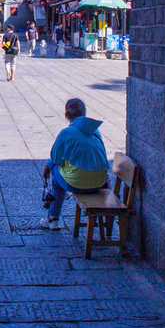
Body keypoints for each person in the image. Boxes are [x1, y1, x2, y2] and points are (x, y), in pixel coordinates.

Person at [40, 98, 110, 230]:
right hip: (99, 182)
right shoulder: (95, 131)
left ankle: (53, 218)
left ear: (67, 115)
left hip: (77, 183)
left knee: (55, 173)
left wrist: (48, 166)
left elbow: (56, 158)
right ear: (84, 113)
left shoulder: (66, 133)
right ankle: (63, 194)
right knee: (67, 165)